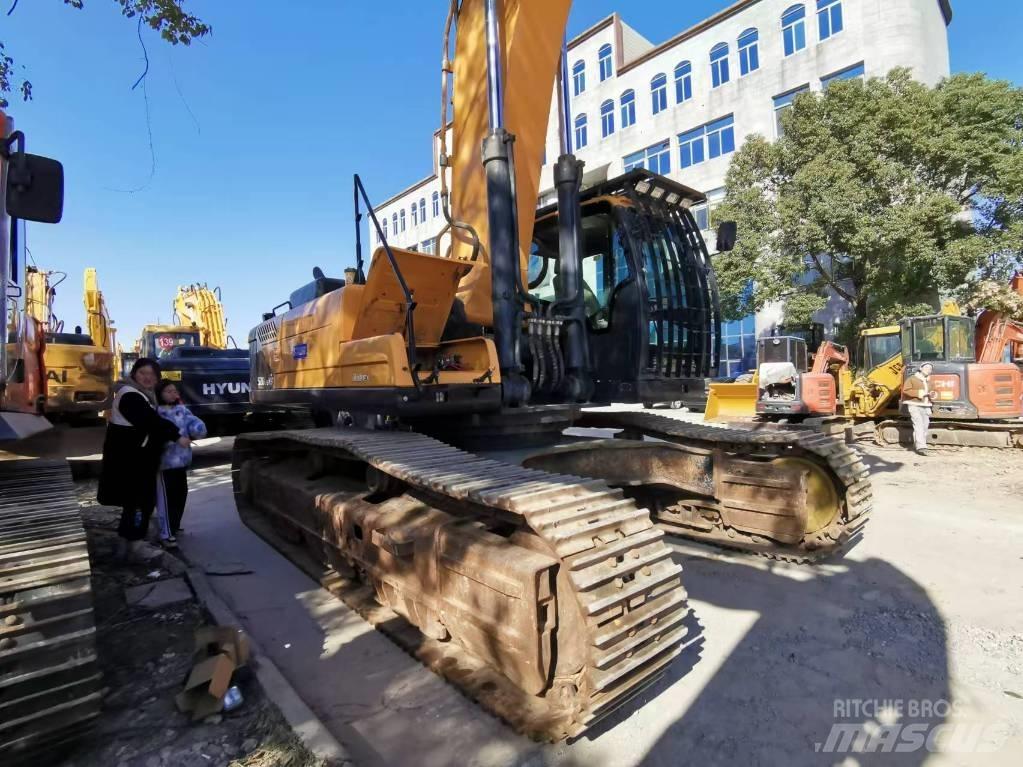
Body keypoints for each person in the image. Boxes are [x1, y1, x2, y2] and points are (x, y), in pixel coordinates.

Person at [97, 358, 188, 559]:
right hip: (133, 461)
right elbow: (151, 422)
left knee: (134, 502)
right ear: (134, 374)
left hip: (133, 459)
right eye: (143, 373)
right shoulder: (130, 395)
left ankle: (125, 541)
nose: (148, 378)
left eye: (153, 375)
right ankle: (136, 545)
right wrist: (177, 435)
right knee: (141, 502)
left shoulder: (139, 394)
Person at [153, 379, 207, 546]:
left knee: (180, 494)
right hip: (165, 464)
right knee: (167, 500)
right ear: (159, 393)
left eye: (174, 391)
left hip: (181, 463)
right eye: (168, 391)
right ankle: (166, 532)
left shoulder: (181, 410)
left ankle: (174, 526)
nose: (172, 394)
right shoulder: (156, 412)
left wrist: (198, 428)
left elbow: (193, 422)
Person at [902, 362, 936, 456]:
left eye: (930, 369)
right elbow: (906, 390)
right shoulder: (912, 379)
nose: (928, 370)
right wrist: (921, 393)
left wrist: (933, 394)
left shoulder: (930, 382)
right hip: (914, 405)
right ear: (921, 368)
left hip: (926, 406)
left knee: (925, 425)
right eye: (926, 367)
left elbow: (934, 392)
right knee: (919, 425)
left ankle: (917, 444)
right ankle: (921, 447)